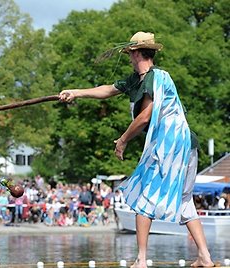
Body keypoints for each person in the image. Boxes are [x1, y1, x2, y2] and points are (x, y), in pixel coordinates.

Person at [59, 31, 213, 267]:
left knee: (143, 197)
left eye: (131, 53)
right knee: (184, 200)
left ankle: (141, 260)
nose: (129, 57)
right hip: (186, 145)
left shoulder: (154, 78)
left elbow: (145, 117)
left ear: (138, 52)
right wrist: (76, 92)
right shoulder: (137, 79)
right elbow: (108, 90)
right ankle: (205, 256)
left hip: (171, 145)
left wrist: (122, 140)